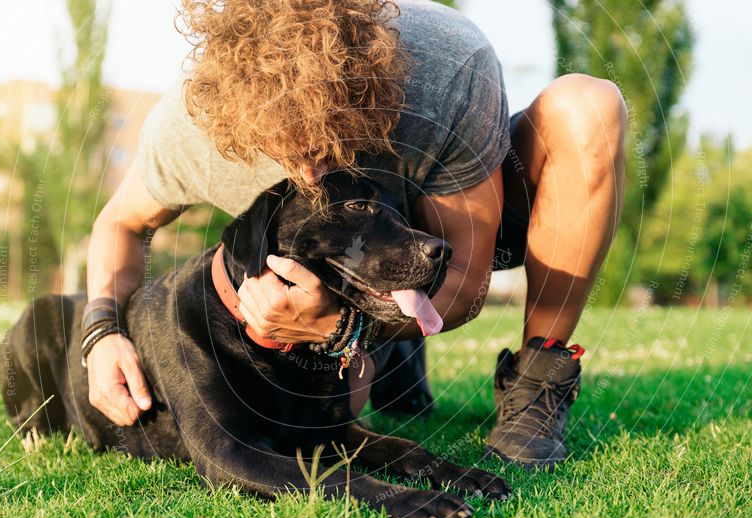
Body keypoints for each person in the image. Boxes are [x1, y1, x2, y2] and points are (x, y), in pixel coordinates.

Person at [84, 0, 626, 470]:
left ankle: (537, 377)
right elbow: (120, 225)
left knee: (589, 109)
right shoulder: (191, 126)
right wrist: (100, 332)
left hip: (445, 227)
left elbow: (464, 283)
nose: (314, 170)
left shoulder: (446, 66)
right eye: (289, 150)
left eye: (330, 141)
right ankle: (392, 346)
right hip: (347, 264)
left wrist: (343, 331)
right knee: (336, 422)